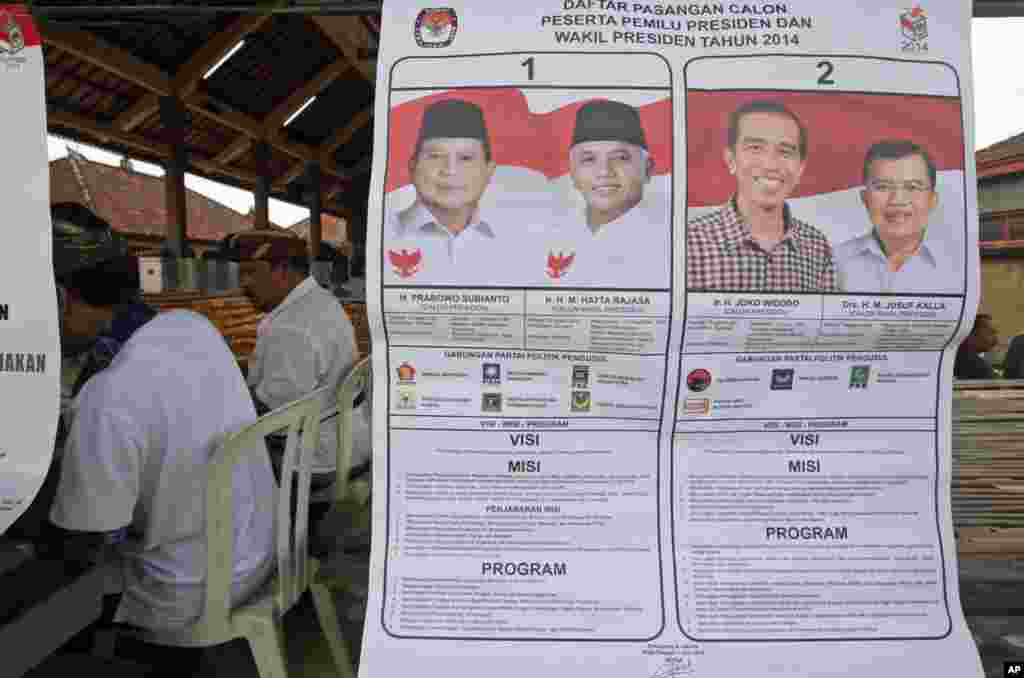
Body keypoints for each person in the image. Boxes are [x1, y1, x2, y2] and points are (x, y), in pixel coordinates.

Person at [47, 203, 276, 635]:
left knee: (48, 582)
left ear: (59, 297)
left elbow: (83, 542)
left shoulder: (108, 395)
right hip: (254, 555)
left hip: (187, 592)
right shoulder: (192, 326)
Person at [240, 235, 370, 485]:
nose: (243, 283)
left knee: (211, 455)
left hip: (314, 455)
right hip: (347, 438)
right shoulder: (321, 301)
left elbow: (271, 409)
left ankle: (258, 523)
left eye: (251, 272)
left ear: (284, 270)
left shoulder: (291, 326)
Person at [687, 99, 838, 292]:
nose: (770, 165)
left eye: (785, 151)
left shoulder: (818, 247)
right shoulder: (690, 242)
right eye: (755, 148)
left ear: (800, 168)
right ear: (731, 159)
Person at [542, 99, 670, 288]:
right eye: (588, 159)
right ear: (573, 172)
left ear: (648, 169)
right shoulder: (548, 236)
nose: (604, 171)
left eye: (620, 158)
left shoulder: (670, 241)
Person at [385, 98, 503, 283]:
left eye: (465, 158)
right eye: (435, 156)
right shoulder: (385, 232)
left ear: (489, 171)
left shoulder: (516, 242)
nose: (450, 170)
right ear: (413, 167)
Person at [836, 140, 961, 294]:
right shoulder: (834, 261)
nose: (897, 200)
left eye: (912, 187)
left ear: (932, 199)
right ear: (865, 198)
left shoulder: (959, 263)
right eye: (883, 187)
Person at [955, 313, 999, 379]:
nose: (996, 340)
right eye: (991, 333)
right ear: (971, 333)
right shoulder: (978, 367)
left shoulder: (952, 357)